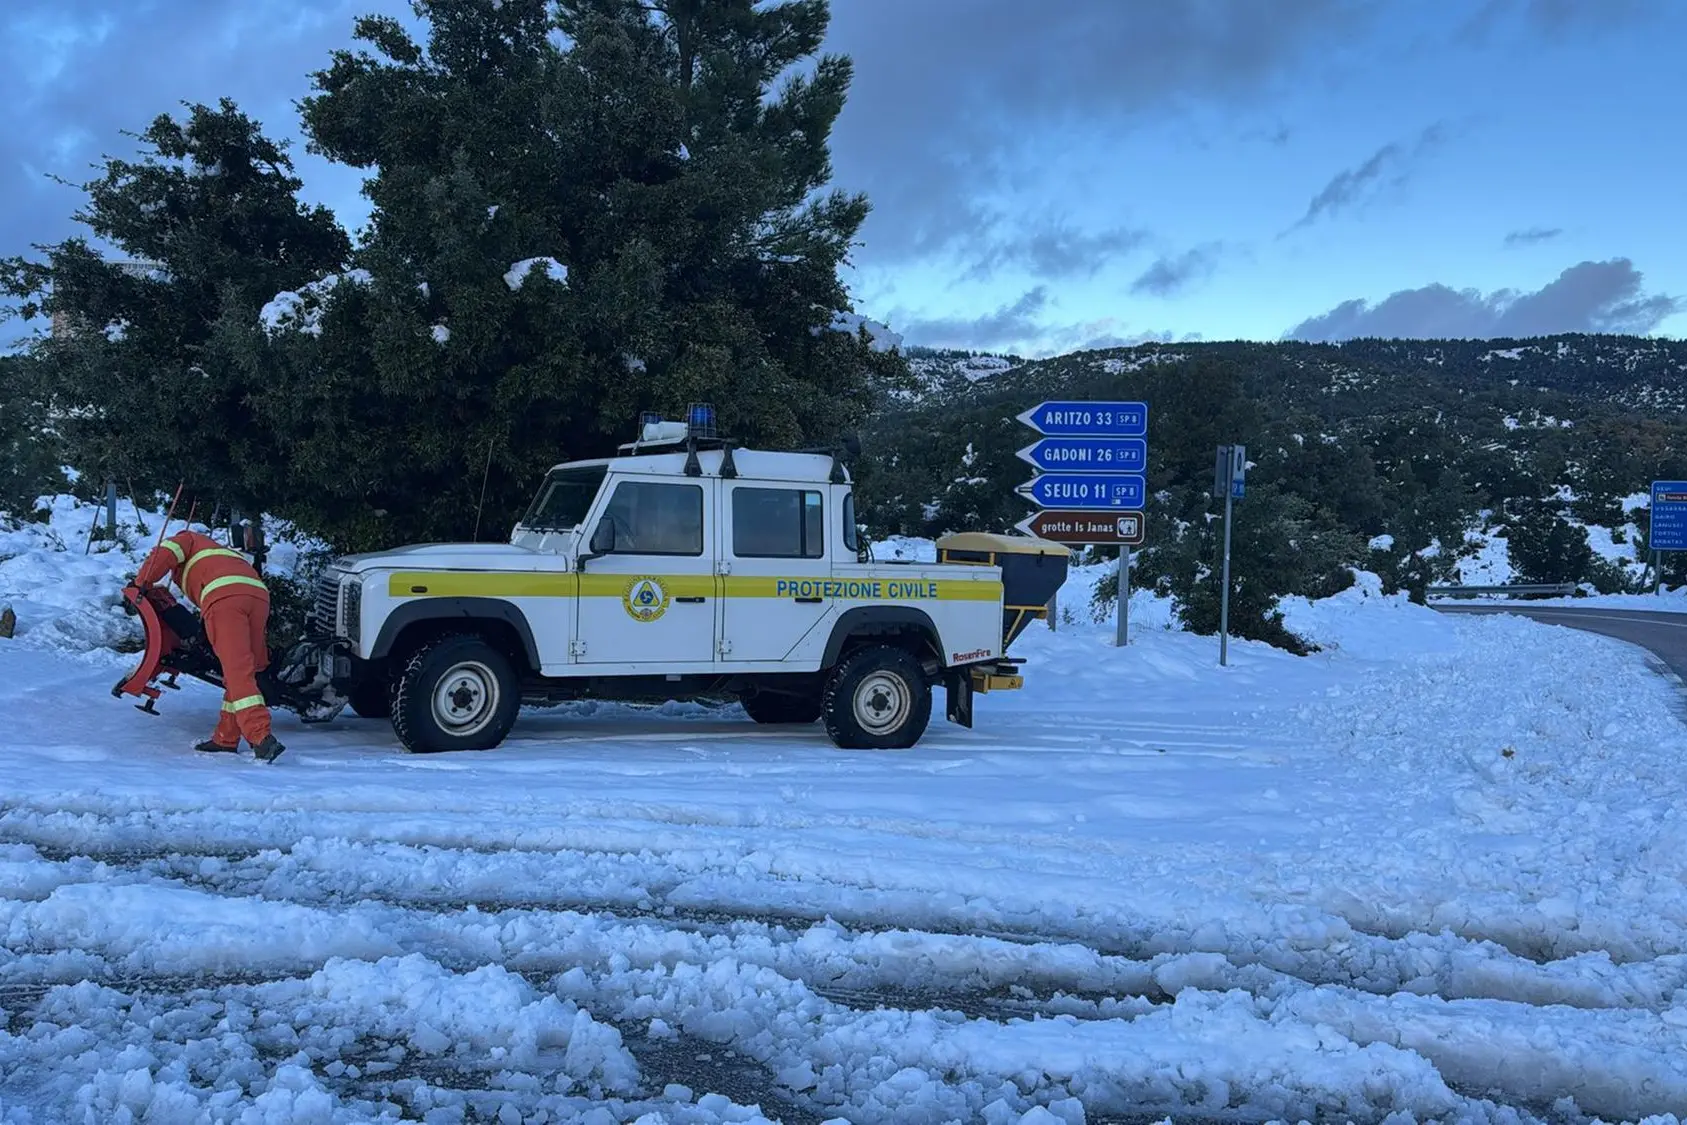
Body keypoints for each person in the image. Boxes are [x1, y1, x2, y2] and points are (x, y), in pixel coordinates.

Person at [129, 526, 286, 762]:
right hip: (258, 597)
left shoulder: (187, 539)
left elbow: (164, 553)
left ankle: (261, 737)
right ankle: (226, 738)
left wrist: (141, 583)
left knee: (237, 670)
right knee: (246, 669)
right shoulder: (219, 553)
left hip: (225, 597)